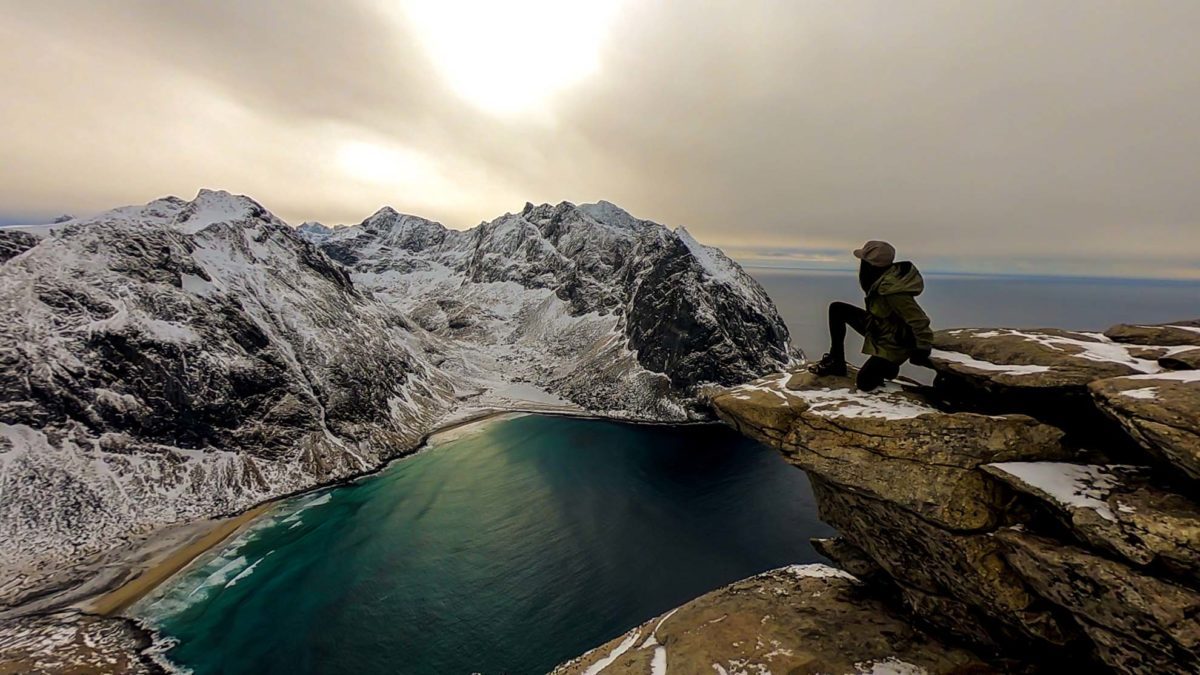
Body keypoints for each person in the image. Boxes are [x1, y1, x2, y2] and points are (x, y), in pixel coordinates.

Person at [808, 240, 934, 391]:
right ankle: (836, 362)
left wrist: (922, 348)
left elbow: (919, 320)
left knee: (865, 383)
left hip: (894, 344)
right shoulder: (881, 279)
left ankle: (889, 368)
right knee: (837, 309)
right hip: (880, 329)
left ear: (871, 265)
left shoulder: (892, 291)